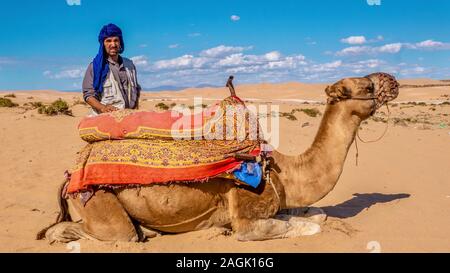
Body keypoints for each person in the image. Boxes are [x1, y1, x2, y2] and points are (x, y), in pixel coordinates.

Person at [82, 23, 141, 115]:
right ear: (103, 44)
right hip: (105, 118)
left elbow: (135, 90)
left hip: (128, 116)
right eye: (108, 41)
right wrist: (103, 108)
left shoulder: (129, 65)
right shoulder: (95, 67)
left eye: (116, 40)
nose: (113, 44)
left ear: (120, 42)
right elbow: (88, 95)